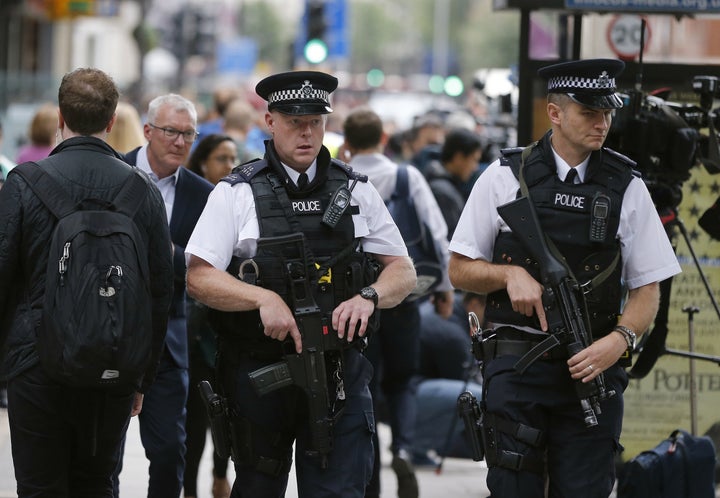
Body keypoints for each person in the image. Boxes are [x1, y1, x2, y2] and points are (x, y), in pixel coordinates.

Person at [447, 58, 682, 498]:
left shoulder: (626, 185)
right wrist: (508, 274)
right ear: (555, 113)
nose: (603, 123)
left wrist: (621, 340)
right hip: (516, 368)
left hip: (592, 369)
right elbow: (459, 268)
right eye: (590, 113)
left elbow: (648, 288)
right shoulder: (504, 177)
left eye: (608, 113)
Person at [185, 70, 417, 497]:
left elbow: (403, 271)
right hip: (261, 372)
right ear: (270, 122)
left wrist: (370, 296)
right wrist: (261, 298)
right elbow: (198, 278)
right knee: (257, 486)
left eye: (315, 121)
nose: (306, 132)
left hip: (340, 375)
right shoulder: (238, 192)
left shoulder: (356, 190)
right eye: (294, 122)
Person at [0, 67, 174, 497]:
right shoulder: (143, 191)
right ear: (112, 121)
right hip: (111, 363)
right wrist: (141, 378)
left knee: (39, 486)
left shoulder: (24, 184)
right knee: (97, 483)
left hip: (35, 363)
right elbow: (159, 291)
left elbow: (2, 275)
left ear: (61, 116)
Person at [341, 106, 453, 498]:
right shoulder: (407, 176)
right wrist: (445, 289)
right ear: (384, 139)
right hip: (404, 295)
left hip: (356, 299)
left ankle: (369, 459)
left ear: (348, 144)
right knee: (404, 379)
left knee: (364, 380)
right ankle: (402, 446)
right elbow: (437, 233)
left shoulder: (344, 180)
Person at [113, 94, 214, 498]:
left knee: (170, 449)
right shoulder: (113, 172)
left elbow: (202, 268)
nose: (179, 141)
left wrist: (162, 251)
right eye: (171, 131)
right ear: (149, 131)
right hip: (110, 331)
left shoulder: (202, 194)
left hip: (169, 339)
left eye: (188, 134)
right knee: (105, 454)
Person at [182, 133, 237, 498]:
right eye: (221, 158)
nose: (229, 166)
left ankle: (220, 476)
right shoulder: (193, 202)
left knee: (228, 415)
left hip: (229, 330)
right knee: (195, 419)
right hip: (194, 332)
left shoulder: (242, 200)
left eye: (233, 158)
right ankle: (189, 489)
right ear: (203, 162)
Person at [423, 127, 483, 239]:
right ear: (458, 157)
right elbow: (453, 242)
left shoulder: (441, 183)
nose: (475, 167)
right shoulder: (443, 193)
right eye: (474, 160)